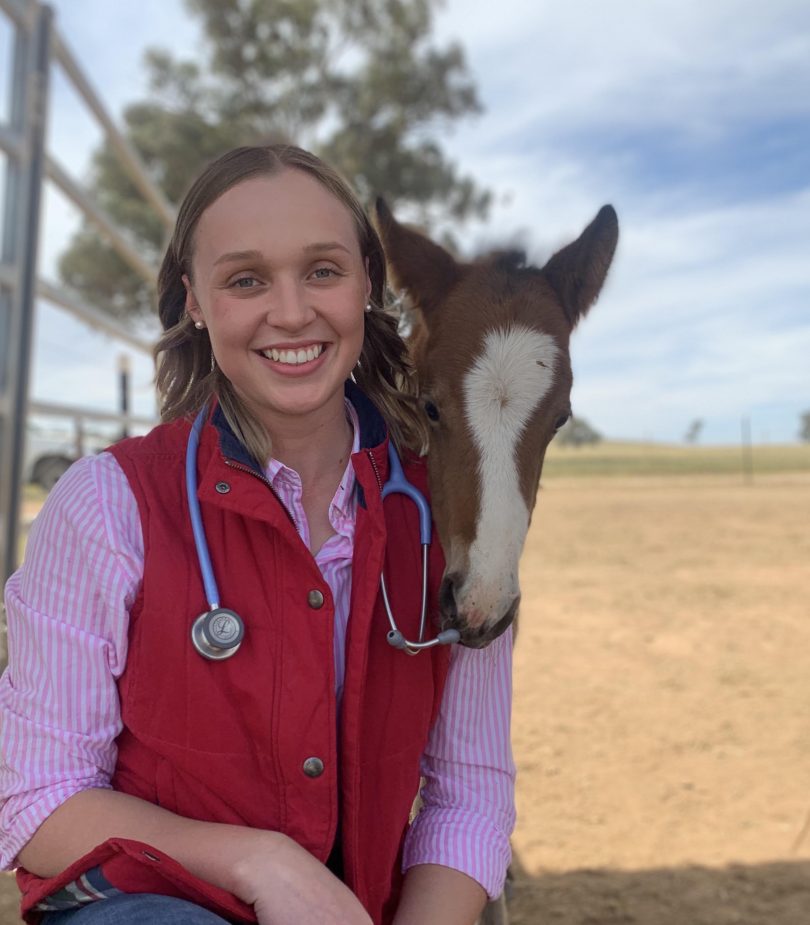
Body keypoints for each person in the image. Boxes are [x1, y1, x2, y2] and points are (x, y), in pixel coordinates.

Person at [0, 144, 515, 925]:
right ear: (195, 301)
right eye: (246, 279)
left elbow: (467, 795)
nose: (291, 311)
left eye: (322, 270)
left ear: (367, 284)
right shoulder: (105, 506)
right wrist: (260, 861)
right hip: (150, 905)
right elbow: (35, 799)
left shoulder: (450, 522)